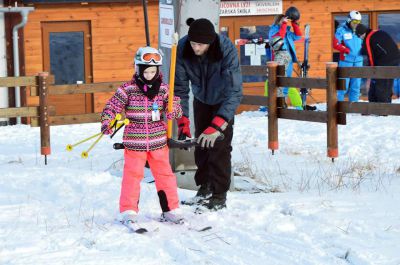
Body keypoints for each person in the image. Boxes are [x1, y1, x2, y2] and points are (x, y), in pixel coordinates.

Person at [100, 46, 184, 226]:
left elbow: (176, 106)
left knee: (165, 175)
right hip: (134, 142)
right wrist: (108, 120)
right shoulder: (127, 89)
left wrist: (173, 111)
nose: (149, 75)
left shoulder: (163, 89)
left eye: (153, 71)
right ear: (138, 69)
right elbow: (111, 107)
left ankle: (171, 209)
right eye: (146, 71)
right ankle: (128, 210)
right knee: (132, 176)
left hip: (158, 141)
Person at [174, 18, 243, 211]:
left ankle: (219, 195)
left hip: (223, 101)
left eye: (201, 45)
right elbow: (179, 89)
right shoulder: (183, 47)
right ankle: (204, 188)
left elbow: (234, 91)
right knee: (201, 145)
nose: (196, 48)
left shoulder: (225, 49)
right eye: (193, 43)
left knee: (219, 146)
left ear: (210, 43)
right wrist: (183, 121)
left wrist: (218, 125)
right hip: (201, 99)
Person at [355, 23, 400, 103]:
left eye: (359, 36)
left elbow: (370, 57)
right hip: (395, 59)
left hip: (385, 63)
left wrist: (372, 72)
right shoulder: (378, 32)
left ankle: (382, 110)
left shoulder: (368, 39)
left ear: (361, 34)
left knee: (381, 86)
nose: (360, 38)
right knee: (387, 84)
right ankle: (383, 106)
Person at [268, 7, 302, 107]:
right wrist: (283, 24)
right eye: (283, 20)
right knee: (279, 81)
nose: (285, 21)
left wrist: (294, 24)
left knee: (286, 81)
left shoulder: (287, 31)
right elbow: (279, 37)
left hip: (289, 59)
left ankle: (283, 103)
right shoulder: (273, 30)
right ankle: (278, 103)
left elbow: (298, 36)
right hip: (280, 58)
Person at [333, 10, 364, 102]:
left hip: (358, 61)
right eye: (354, 22)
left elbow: (365, 42)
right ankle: (339, 106)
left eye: (358, 22)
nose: (356, 24)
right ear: (349, 20)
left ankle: (353, 106)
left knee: (356, 85)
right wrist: (345, 49)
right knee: (343, 85)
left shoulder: (360, 30)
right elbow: (335, 44)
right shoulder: (341, 30)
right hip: (346, 61)